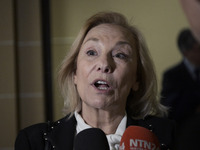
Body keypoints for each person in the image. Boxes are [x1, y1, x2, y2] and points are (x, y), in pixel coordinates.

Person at [15, 12, 175, 150]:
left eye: (120, 55)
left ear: (136, 79)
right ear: (74, 73)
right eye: (91, 52)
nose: (104, 64)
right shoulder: (33, 141)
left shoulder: (169, 136)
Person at [160, 28, 200, 125]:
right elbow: (168, 112)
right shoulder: (172, 76)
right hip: (187, 133)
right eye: (198, 49)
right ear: (186, 52)